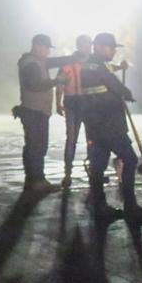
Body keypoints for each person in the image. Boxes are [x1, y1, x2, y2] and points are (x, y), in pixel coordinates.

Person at [79, 32, 142, 223]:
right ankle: (130, 206)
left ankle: (99, 206)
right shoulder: (100, 67)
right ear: (100, 47)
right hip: (109, 125)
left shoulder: (88, 65)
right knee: (129, 160)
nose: (113, 51)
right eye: (111, 47)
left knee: (98, 166)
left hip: (94, 126)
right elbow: (117, 87)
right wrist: (127, 94)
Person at [15, 33, 77, 194]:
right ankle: (36, 181)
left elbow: (56, 61)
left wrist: (73, 57)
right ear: (37, 46)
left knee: (36, 146)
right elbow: (35, 85)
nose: (48, 52)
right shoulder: (30, 64)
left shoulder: (38, 61)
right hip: (33, 110)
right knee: (35, 146)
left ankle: (35, 180)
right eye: (46, 48)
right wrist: (58, 81)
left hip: (37, 110)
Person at [56, 34, 93, 187]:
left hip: (89, 103)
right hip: (72, 103)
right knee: (71, 139)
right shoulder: (67, 63)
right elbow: (59, 84)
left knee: (92, 140)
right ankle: (68, 174)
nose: (88, 47)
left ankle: (93, 171)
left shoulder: (93, 62)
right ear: (79, 45)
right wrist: (57, 103)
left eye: (89, 44)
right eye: (86, 44)